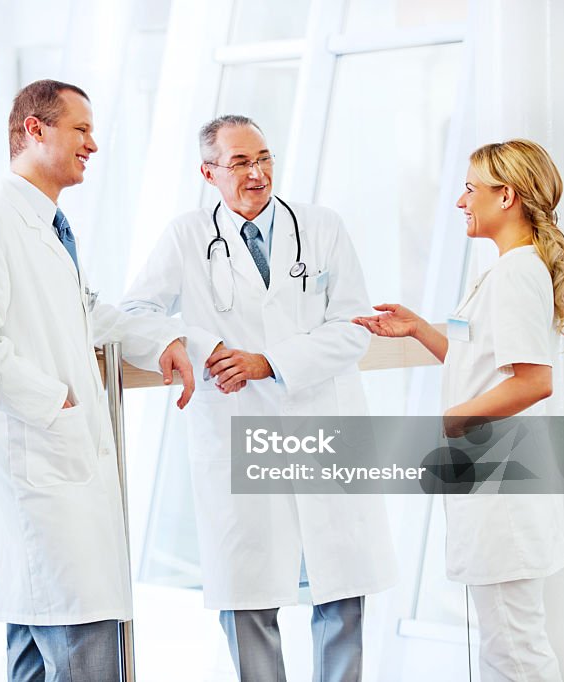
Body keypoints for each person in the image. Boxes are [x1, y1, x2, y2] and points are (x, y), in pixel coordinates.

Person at [121, 114, 398, 682]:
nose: (257, 173)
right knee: (248, 595)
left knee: (340, 592)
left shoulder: (321, 227)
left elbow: (353, 326)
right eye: (241, 162)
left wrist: (269, 362)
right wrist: (199, 343)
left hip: (320, 420)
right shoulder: (187, 236)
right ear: (209, 171)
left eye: (264, 158)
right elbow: (135, 314)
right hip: (237, 426)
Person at [0, 79, 195, 682]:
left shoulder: (48, 225)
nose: (93, 143)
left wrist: (163, 339)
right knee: (80, 649)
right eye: (80, 129)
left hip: (59, 475)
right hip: (41, 468)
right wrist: (53, 400)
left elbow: (85, 313)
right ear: (35, 130)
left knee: (45, 654)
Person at [353, 139, 564, 681]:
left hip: (501, 490)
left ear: (507, 197)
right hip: (494, 485)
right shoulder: (501, 271)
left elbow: (533, 382)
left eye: (471, 189)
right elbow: (475, 357)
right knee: (509, 645)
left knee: (516, 652)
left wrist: (450, 422)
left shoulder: (517, 275)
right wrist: (418, 330)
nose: (460, 202)